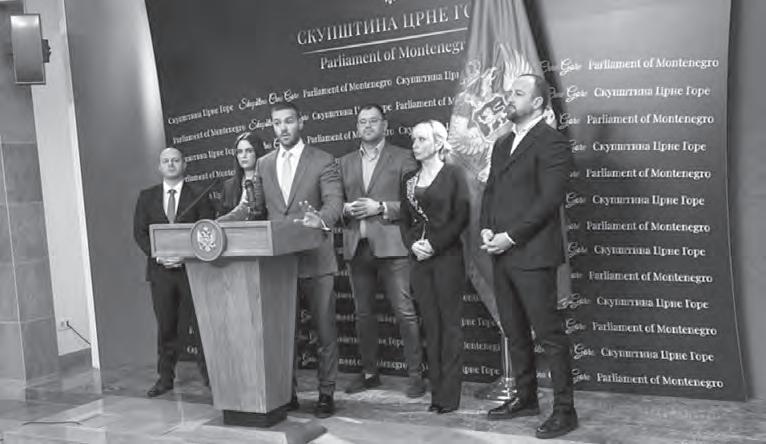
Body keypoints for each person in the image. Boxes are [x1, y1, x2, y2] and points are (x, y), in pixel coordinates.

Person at [222, 102, 343, 418]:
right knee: (281, 332)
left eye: (289, 121)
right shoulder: (263, 164)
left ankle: (326, 393)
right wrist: (220, 223)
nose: (283, 128)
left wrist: (321, 219)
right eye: (277, 123)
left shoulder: (323, 160)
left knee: (324, 331)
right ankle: (286, 393)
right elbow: (252, 207)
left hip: (316, 260)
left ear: (300, 123)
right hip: (278, 263)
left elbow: (334, 203)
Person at [481, 74, 576, 440]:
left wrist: (511, 237)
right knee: (515, 330)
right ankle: (526, 398)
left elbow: (548, 200)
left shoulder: (552, 142)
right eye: (511, 92)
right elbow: (491, 192)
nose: (510, 97)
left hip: (533, 254)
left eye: (518, 93)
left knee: (549, 335)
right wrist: (487, 228)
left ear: (537, 103)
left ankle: (565, 410)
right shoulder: (502, 143)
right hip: (501, 253)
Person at [338, 104, 425, 397]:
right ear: (356, 127)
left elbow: (415, 202)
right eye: (362, 121)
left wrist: (381, 207)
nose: (367, 126)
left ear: (384, 125)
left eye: (373, 121)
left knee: (404, 312)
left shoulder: (403, 157)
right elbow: (334, 203)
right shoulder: (344, 163)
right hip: (357, 246)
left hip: (393, 247)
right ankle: (369, 374)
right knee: (363, 314)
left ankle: (416, 376)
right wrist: (345, 209)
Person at [399, 120, 469, 414]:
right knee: (431, 324)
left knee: (450, 326)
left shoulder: (453, 174)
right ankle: (436, 393)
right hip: (419, 261)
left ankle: (449, 396)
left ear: (438, 143)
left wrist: (435, 245)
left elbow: (461, 216)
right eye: (414, 139)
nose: (415, 145)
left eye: (422, 139)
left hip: (447, 257)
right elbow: (404, 221)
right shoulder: (408, 180)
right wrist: (412, 245)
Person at [133, 147, 214, 397]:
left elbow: (207, 230)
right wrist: (158, 254)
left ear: (184, 164)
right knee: (166, 326)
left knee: (201, 326)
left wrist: (186, 256)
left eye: (175, 160)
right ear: (160, 167)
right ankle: (165, 378)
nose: (170, 164)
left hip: (192, 271)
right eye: (166, 161)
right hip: (161, 273)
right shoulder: (147, 197)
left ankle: (211, 378)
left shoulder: (199, 195)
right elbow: (140, 233)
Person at [219, 131, 268, 218]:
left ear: (257, 152)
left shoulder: (267, 181)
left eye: (249, 151)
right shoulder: (229, 186)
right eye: (240, 152)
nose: (244, 156)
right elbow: (222, 217)